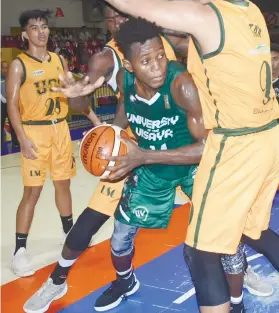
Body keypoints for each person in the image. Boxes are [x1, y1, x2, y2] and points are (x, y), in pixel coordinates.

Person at [47, 0, 279, 313]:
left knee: (200, 252)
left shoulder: (209, 16)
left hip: (236, 146)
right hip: (269, 139)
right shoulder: (249, 9)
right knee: (250, 229)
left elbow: (132, 1)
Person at [24, 19, 271, 313]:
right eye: (146, 61)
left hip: (192, 167)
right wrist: (106, 134)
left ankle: (238, 294)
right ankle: (125, 281)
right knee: (119, 237)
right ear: (128, 66)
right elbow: (124, 111)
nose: (157, 67)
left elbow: (207, 148)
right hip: (149, 168)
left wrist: (143, 156)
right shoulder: (124, 80)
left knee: (228, 235)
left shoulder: (182, 84)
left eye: (160, 58)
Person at [6, 9, 101, 278]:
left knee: (64, 184)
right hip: (34, 132)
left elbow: (73, 95)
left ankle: (68, 233)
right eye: (34, 27)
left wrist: (94, 119)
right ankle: (20, 251)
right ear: (24, 34)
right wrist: (22, 138)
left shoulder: (59, 60)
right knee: (32, 192)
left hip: (60, 130)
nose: (41, 31)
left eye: (44, 26)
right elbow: (12, 105)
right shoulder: (18, 64)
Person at [1, 60, 18, 150]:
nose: (4, 70)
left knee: (14, 123)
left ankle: (15, 142)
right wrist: (3, 100)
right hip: (1, 104)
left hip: (10, 104)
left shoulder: (11, 78)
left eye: (6, 67)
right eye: (3, 67)